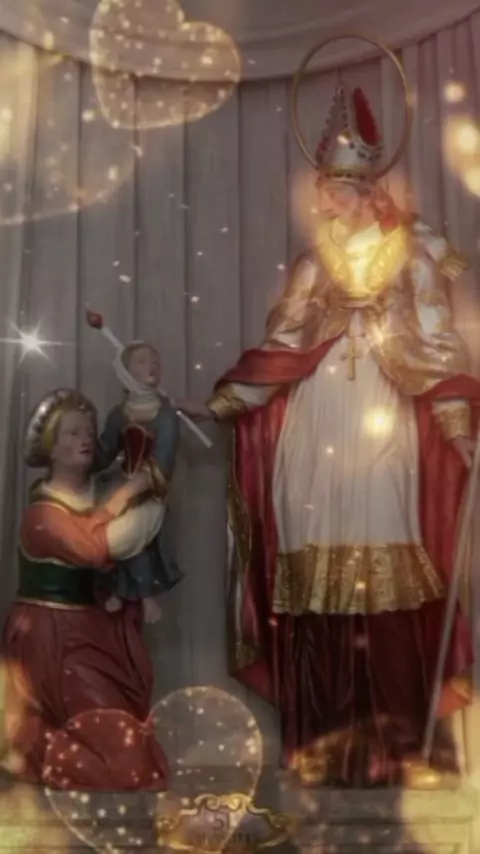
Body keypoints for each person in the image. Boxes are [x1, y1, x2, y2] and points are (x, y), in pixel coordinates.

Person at [181, 84, 480, 787]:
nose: (325, 200)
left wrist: (456, 424)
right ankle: (323, 742)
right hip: (315, 422)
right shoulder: (314, 264)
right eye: (323, 189)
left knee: (388, 555)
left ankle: (398, 746)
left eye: (336, 188)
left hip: (383, 414)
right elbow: (283, 344)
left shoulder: (411, 255)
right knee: (314, 561)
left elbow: (437, 342)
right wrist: (224, 403)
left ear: (365, 189)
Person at [2, 388, 170, 790]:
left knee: (137, 757)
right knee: (126, 768)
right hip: (51, 642)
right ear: (51, 446)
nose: (85, 440)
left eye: (90, 432)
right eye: (72, 432)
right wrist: (132, 496)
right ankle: (25, 742)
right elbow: (95, 549)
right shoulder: (42, 515)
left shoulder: (99, 492)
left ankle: (29, 738)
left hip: (92, 633)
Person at [94, 340, 182, 626]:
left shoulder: (165, 415)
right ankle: (117, 589)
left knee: (132, 534)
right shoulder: (120, 413)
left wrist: (134, 488)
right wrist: (85, 451)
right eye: (142, 362)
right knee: (100, 532)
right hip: (120, 480)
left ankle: (145, 596)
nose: (152, 367)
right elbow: (106, 451)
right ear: (126, 371)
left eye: (156, 362)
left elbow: (163, 459)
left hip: (149, 486)